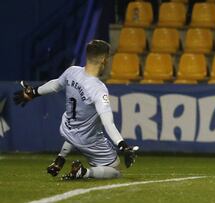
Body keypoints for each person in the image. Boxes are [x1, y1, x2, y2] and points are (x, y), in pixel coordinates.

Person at [13, 40, 139, 180]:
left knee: (78, 124)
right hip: (88, 141)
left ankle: (60, 159)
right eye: (108, 58)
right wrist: (123, 146)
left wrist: (34, 92)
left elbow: (55, 85)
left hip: (67, 130)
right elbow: (108, 122)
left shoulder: (72, 71)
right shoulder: (98, 89)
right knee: (115, 170)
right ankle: (83, 172)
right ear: (103, 59)